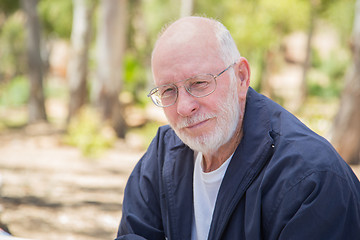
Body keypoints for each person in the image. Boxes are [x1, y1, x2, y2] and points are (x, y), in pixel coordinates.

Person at [116, 16, 360, 240]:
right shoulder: (163, 156)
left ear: (241, 77)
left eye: (199, 83)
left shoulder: (311, 178)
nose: (184, 107)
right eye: (168, 91)